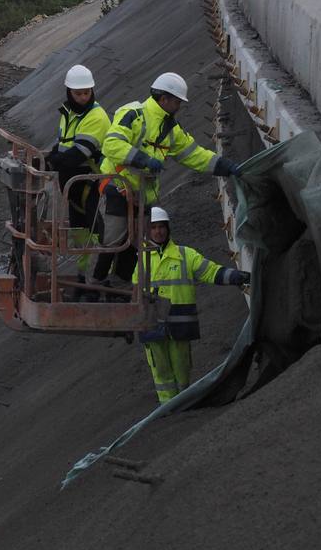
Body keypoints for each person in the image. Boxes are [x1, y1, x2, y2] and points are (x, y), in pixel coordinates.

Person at [93, 72, 239, 286]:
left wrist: (224, 166)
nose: (179, 106)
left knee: (137, 243)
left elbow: (193, 155)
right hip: (117, 185)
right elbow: (112, 145)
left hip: (144, 194)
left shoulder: (171, 129)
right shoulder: (134, 114)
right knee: (113, 239)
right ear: (164, 99)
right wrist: (143, 159)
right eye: (177, 101)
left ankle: (120, 285)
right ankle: (96, 283)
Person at [134, 206, 249, 403]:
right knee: (160, 370)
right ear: (147, 230)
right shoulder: (140, 260)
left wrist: (237, 276)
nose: (158, 231)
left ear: (168, 229)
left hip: (179, 324)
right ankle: (168, 406)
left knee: (182, 367)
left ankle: (183, 402)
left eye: (161, 227)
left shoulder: (185, 255)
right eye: (153, 227)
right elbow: (134, 294)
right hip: (151, 324)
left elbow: (210, 271)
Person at [45, 64, 110, 281]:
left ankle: (101, 276)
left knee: (94, 227)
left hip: (89, 182)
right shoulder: (69, 113)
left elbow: (79, 153)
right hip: (73, 184)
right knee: (79, 229)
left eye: (86, 92)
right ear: (69, 93)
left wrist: (54, 162)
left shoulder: (96, 116)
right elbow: (64, 142)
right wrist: (52, 155)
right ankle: (83, 274)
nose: (83, 97)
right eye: (78, 93)